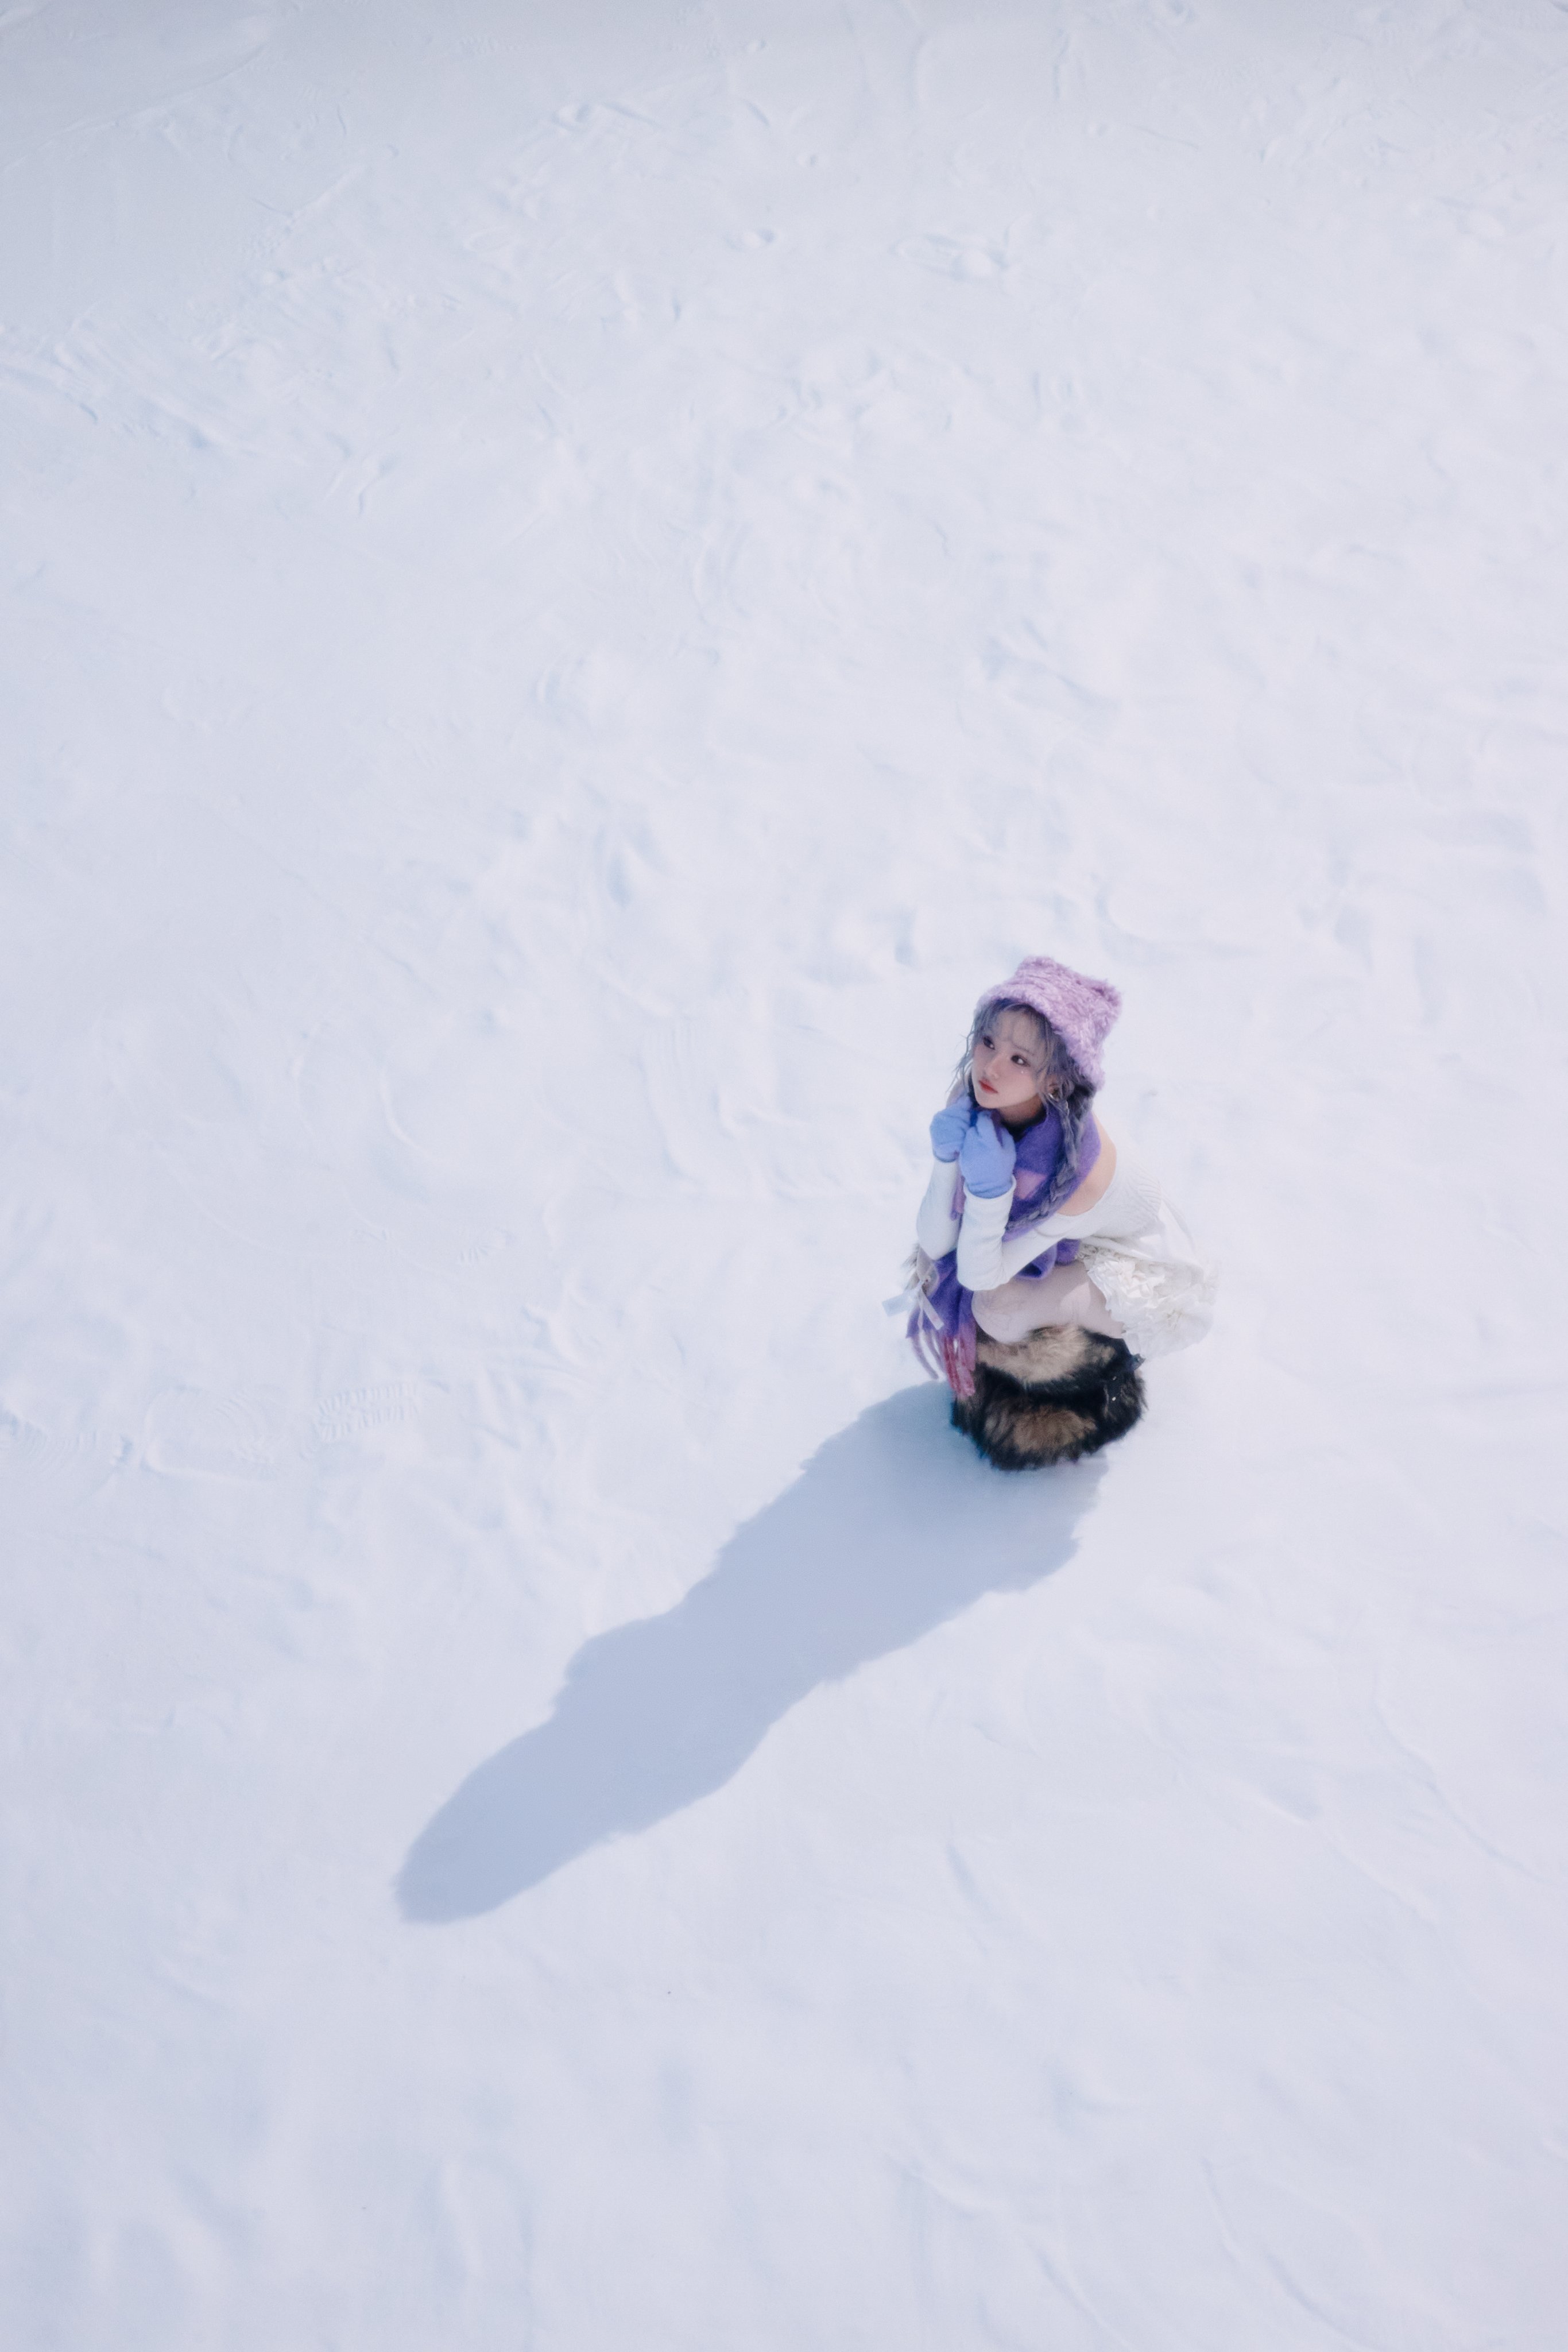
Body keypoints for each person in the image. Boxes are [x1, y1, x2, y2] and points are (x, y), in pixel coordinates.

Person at [907, 956, 1214, 1468]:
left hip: (1130, 1264)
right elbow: (936, 1244)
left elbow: (982, 1276)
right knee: (948, 1260)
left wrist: (987, 1193)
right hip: (1056, 1238)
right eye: (988, 1042)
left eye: (1020, 1059)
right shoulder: (983, 1099)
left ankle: (1089, 1368)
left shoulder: (1078, 1175)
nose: (991, 1067)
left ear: (1056, 1079)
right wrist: (945, 1163)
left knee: (998, 1309)